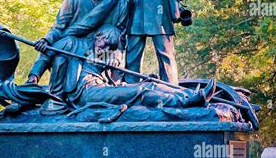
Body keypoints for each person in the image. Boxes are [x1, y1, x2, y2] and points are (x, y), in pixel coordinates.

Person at [26, 0, 127, 97]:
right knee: (64, 45)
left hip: (100, 55)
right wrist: (46, 40)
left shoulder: (121, 5)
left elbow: (121, 39)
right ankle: (34, 78)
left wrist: (115, 56)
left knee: (66, 44)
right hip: (74, 46)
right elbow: (59, 27)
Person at [57, 24, 216, 109]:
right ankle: (184, 102)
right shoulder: (84, 50)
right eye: (103, 44)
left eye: (109, 47)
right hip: (88, 93)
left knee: (151, 84)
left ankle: (193, 95)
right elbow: (96, 60)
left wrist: (114, 63)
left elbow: (114, 75)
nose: (104, 48)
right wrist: (112, 61)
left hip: (102, 89)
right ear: (97, 37)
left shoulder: (105, 53)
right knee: (142, 91)